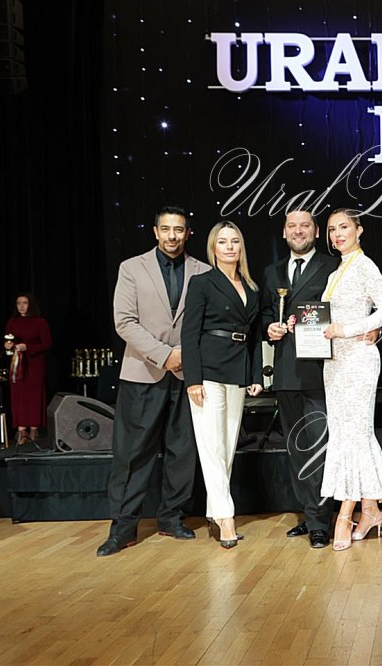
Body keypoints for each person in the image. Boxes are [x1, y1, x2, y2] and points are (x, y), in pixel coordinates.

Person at [97, 206, 210, 557]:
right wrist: (164, 355)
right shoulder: (132, 268)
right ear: (155, 232)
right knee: (132, 454)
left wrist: (184, 356)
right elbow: (124, 321)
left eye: (179, 229)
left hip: (187, 374)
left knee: (182, 451)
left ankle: (171, 518)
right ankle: (123, 528)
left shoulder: (204, 271)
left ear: (188, 233)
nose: (172, 236)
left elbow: (208, 322)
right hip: (143, 372)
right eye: (166, 229)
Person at [316, 209, 382, 552]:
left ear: (358, 230)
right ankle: (371, 510)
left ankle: (344, 515)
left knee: (353, 435)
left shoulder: (365, 266)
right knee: (345, 435)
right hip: (334, 362)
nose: (338, 234)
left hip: (359, 361)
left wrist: (350, 329)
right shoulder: (336, 271)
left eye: (344, 227)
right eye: (332, 230)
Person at [260, 208, 340, 550]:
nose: (298, 231)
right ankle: (310, 513)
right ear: (284, 232)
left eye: (305, 225)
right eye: (291, 226)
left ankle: (321, 520)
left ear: (316, 231)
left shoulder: (333, 267)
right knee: (296, 448)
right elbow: (265, 312)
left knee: (320, 446)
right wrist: (270, 327)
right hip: (287, 371)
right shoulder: (272, 271)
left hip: (322, 370)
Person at [182, 221, 263, 549]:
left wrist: (256, 376)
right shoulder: (202, 283)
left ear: (241, 247)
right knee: (211, 447)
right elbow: (189, 333)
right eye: (223, 242)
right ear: (213, 248)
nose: (229, 247)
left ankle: (215, 512)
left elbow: (254, 337)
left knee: (227, 446)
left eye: (235, 242)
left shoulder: (251, 287)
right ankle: (226, 518)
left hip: (238, 369)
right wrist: (193, 379)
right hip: (209, 369)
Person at [3, 293, 52, 446]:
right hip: (18, 365)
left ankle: (34, 430)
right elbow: (8, 340)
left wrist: (28, 347)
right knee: (18, 397)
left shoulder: (40, 322)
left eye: (25, 303)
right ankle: (21, 430)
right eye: (19, 303)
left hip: (35, 364)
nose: (22, 306)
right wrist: (8, 346)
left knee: (34, 397)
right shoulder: (12, 322)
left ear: (31, 304)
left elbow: (47, 344)